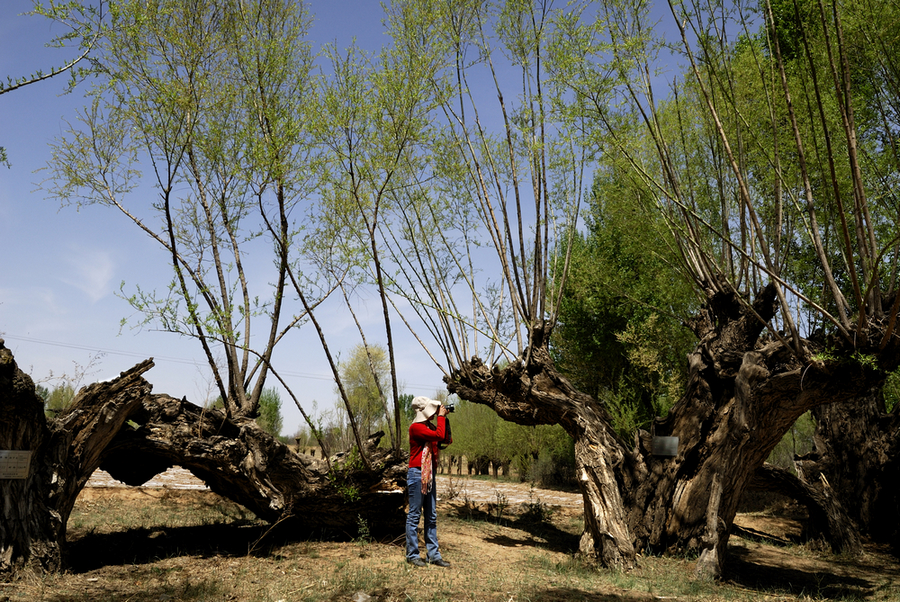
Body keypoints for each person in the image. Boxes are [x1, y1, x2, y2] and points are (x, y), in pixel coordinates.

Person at [405, 396, 451, 567]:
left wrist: (444, 420)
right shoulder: (416, 428)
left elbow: (445, 439)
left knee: (431, 515)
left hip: (428, 473)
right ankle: (412, 555)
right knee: (414, 515)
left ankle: (433, 555)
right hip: (417, 474)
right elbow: (439, 435)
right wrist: (441, 418)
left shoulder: (429, 427)